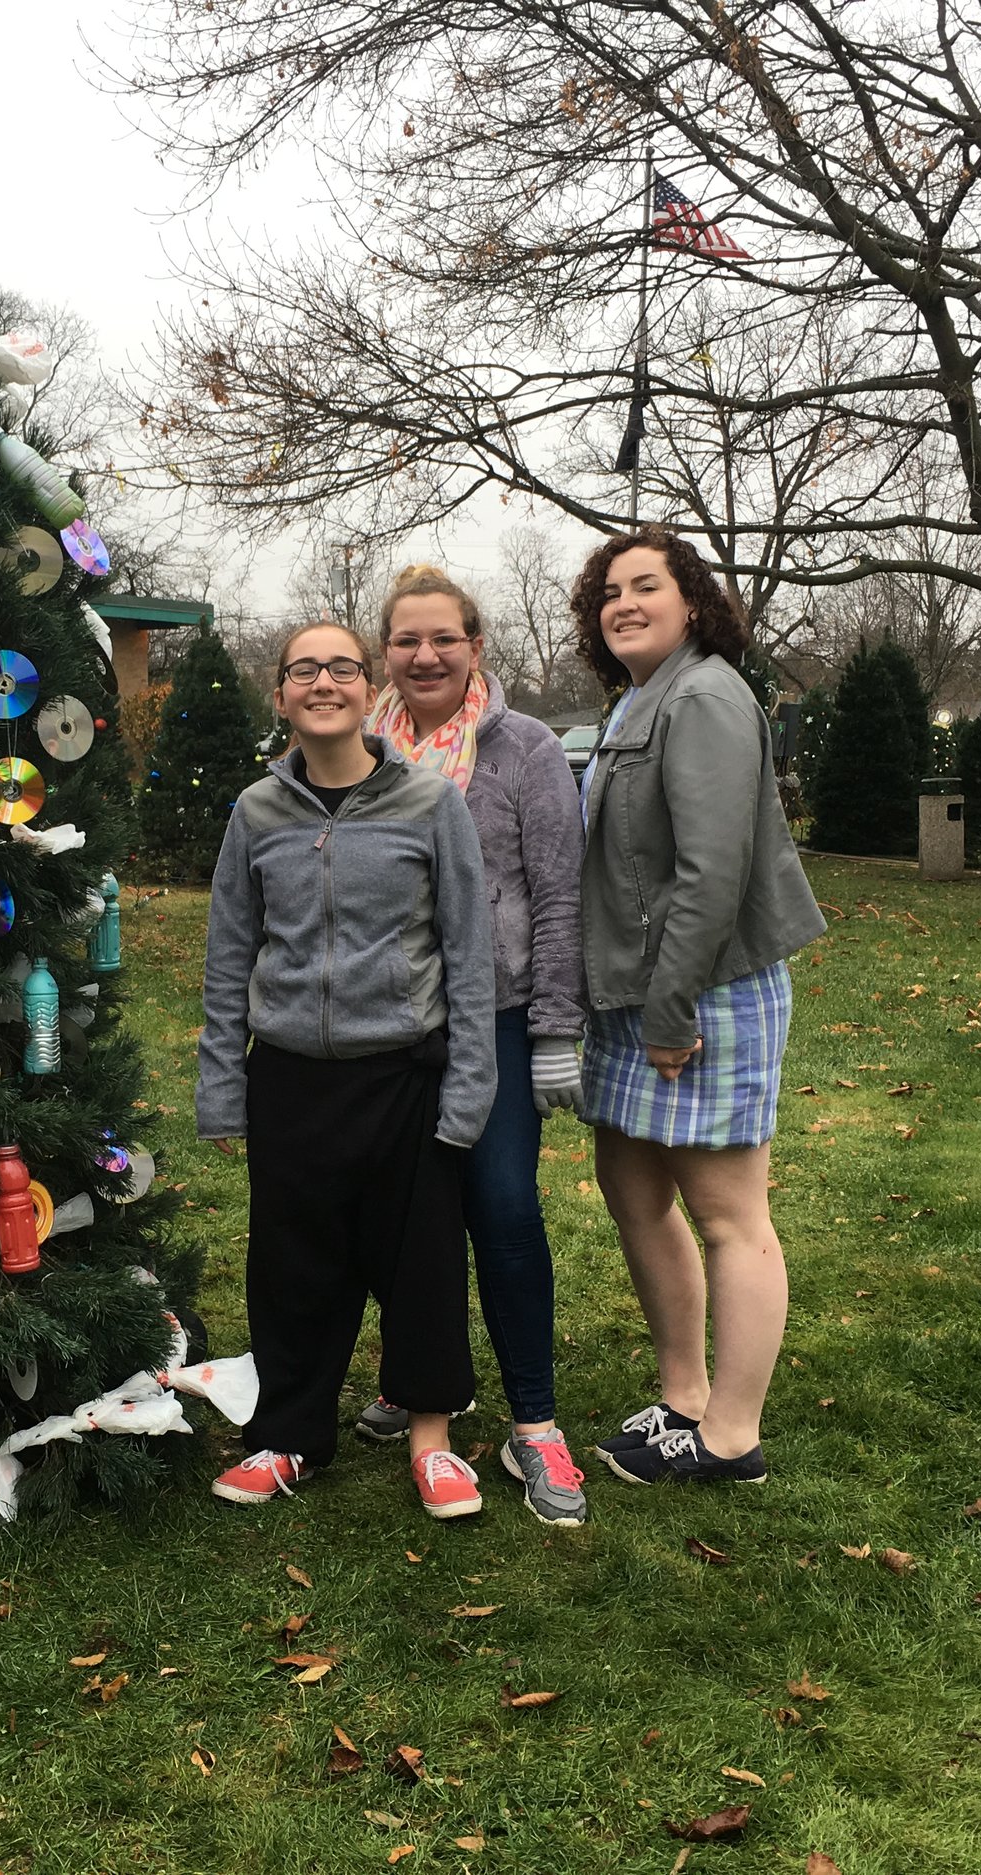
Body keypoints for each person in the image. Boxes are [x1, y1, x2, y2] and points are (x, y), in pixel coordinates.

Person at [196, 620, 499, 1519]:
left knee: (423, 1263)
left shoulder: (430, 804)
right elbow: (227, 960)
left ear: (371, 690)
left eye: (340, 667)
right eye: (302, 670)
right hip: (290, 1077)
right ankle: (289, 1434)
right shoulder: (256, 814)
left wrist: (468, 1088)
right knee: (293, 1267)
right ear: (281, 694)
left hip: (405, 1076)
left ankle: (433, 1440)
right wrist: (222, 1088)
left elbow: (469, 953)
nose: (322, 682)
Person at [572, 528, 825, 1487]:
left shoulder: (709, 693)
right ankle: (682, 1395)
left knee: (729, 1214)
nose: (625, 602)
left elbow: (712, 874)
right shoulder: (643, 695)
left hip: (701, 990)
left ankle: (731, 1435)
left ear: (693, 604)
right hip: (640, 989)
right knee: (633, 1189)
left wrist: (672, 1009)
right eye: (610, 592)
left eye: (648, 585)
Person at [348, 565, 591, 1528]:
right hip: (395, 1023)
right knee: (410, 1217)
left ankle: (534, 1417)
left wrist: (556, 1030)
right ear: (386, 652)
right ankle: (425, 1383)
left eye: (443, 637)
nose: (425, 655)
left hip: (494, 1016)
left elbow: (562, 894)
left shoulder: (524, 749)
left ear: (475, 645)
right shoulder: (360, 750)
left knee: (500, 1205)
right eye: (406, 640)